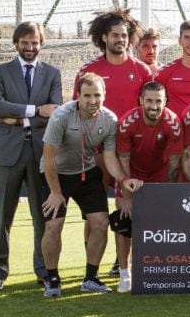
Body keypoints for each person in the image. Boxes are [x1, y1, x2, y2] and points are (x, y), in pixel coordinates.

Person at [39, 74, 142, 297]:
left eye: (97, 95)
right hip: (57, 174)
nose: (92, 100)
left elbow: (110, 157)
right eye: (87, 95)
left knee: (101, 222)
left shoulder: (110, 120)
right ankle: (53, 279)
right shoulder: (61, 117)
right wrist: (56, 192)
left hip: (86, 173)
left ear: (104, 95)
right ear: (78, 96)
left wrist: (124, 179)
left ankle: (91, 278)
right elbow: (48, 158)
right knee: (53, 225)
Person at [74, 8, 154, 277]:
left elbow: (150, 106)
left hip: (128, 153)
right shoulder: (89, 70)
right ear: (104, 37)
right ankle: (91, 266)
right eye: (115, 35)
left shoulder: (141, 70)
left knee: (125, 207)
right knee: (94, 211)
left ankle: (122, 265)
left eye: (124, 35)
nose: (120, 39)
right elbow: (78, 108)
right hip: (95, 152)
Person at [0, 21, 63, 291]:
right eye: (25, 42)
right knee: (1, 217)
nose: (30, 48)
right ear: (16, 43)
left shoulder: (52, 73)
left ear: (41, 44)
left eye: (35, 43)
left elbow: (55, 110)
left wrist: (16, 118)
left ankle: (43, 270)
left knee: (41, 216)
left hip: (41, 154)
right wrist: (34, 111)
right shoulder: (0, 71)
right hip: (5, 155)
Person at [114, 81, 182, 292]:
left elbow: (174, 161)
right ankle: (124, 274)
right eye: (149, 101)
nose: (154, 106)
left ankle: (154, 269)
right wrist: (126, 194)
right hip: (132, 174)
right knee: (125, 220)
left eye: (158, 101)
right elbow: (123, 160)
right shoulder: (127, 122)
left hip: (158, 175)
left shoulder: (172, 123)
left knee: (160, 224)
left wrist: (167, 194)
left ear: (165, 102)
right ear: (141, 100)